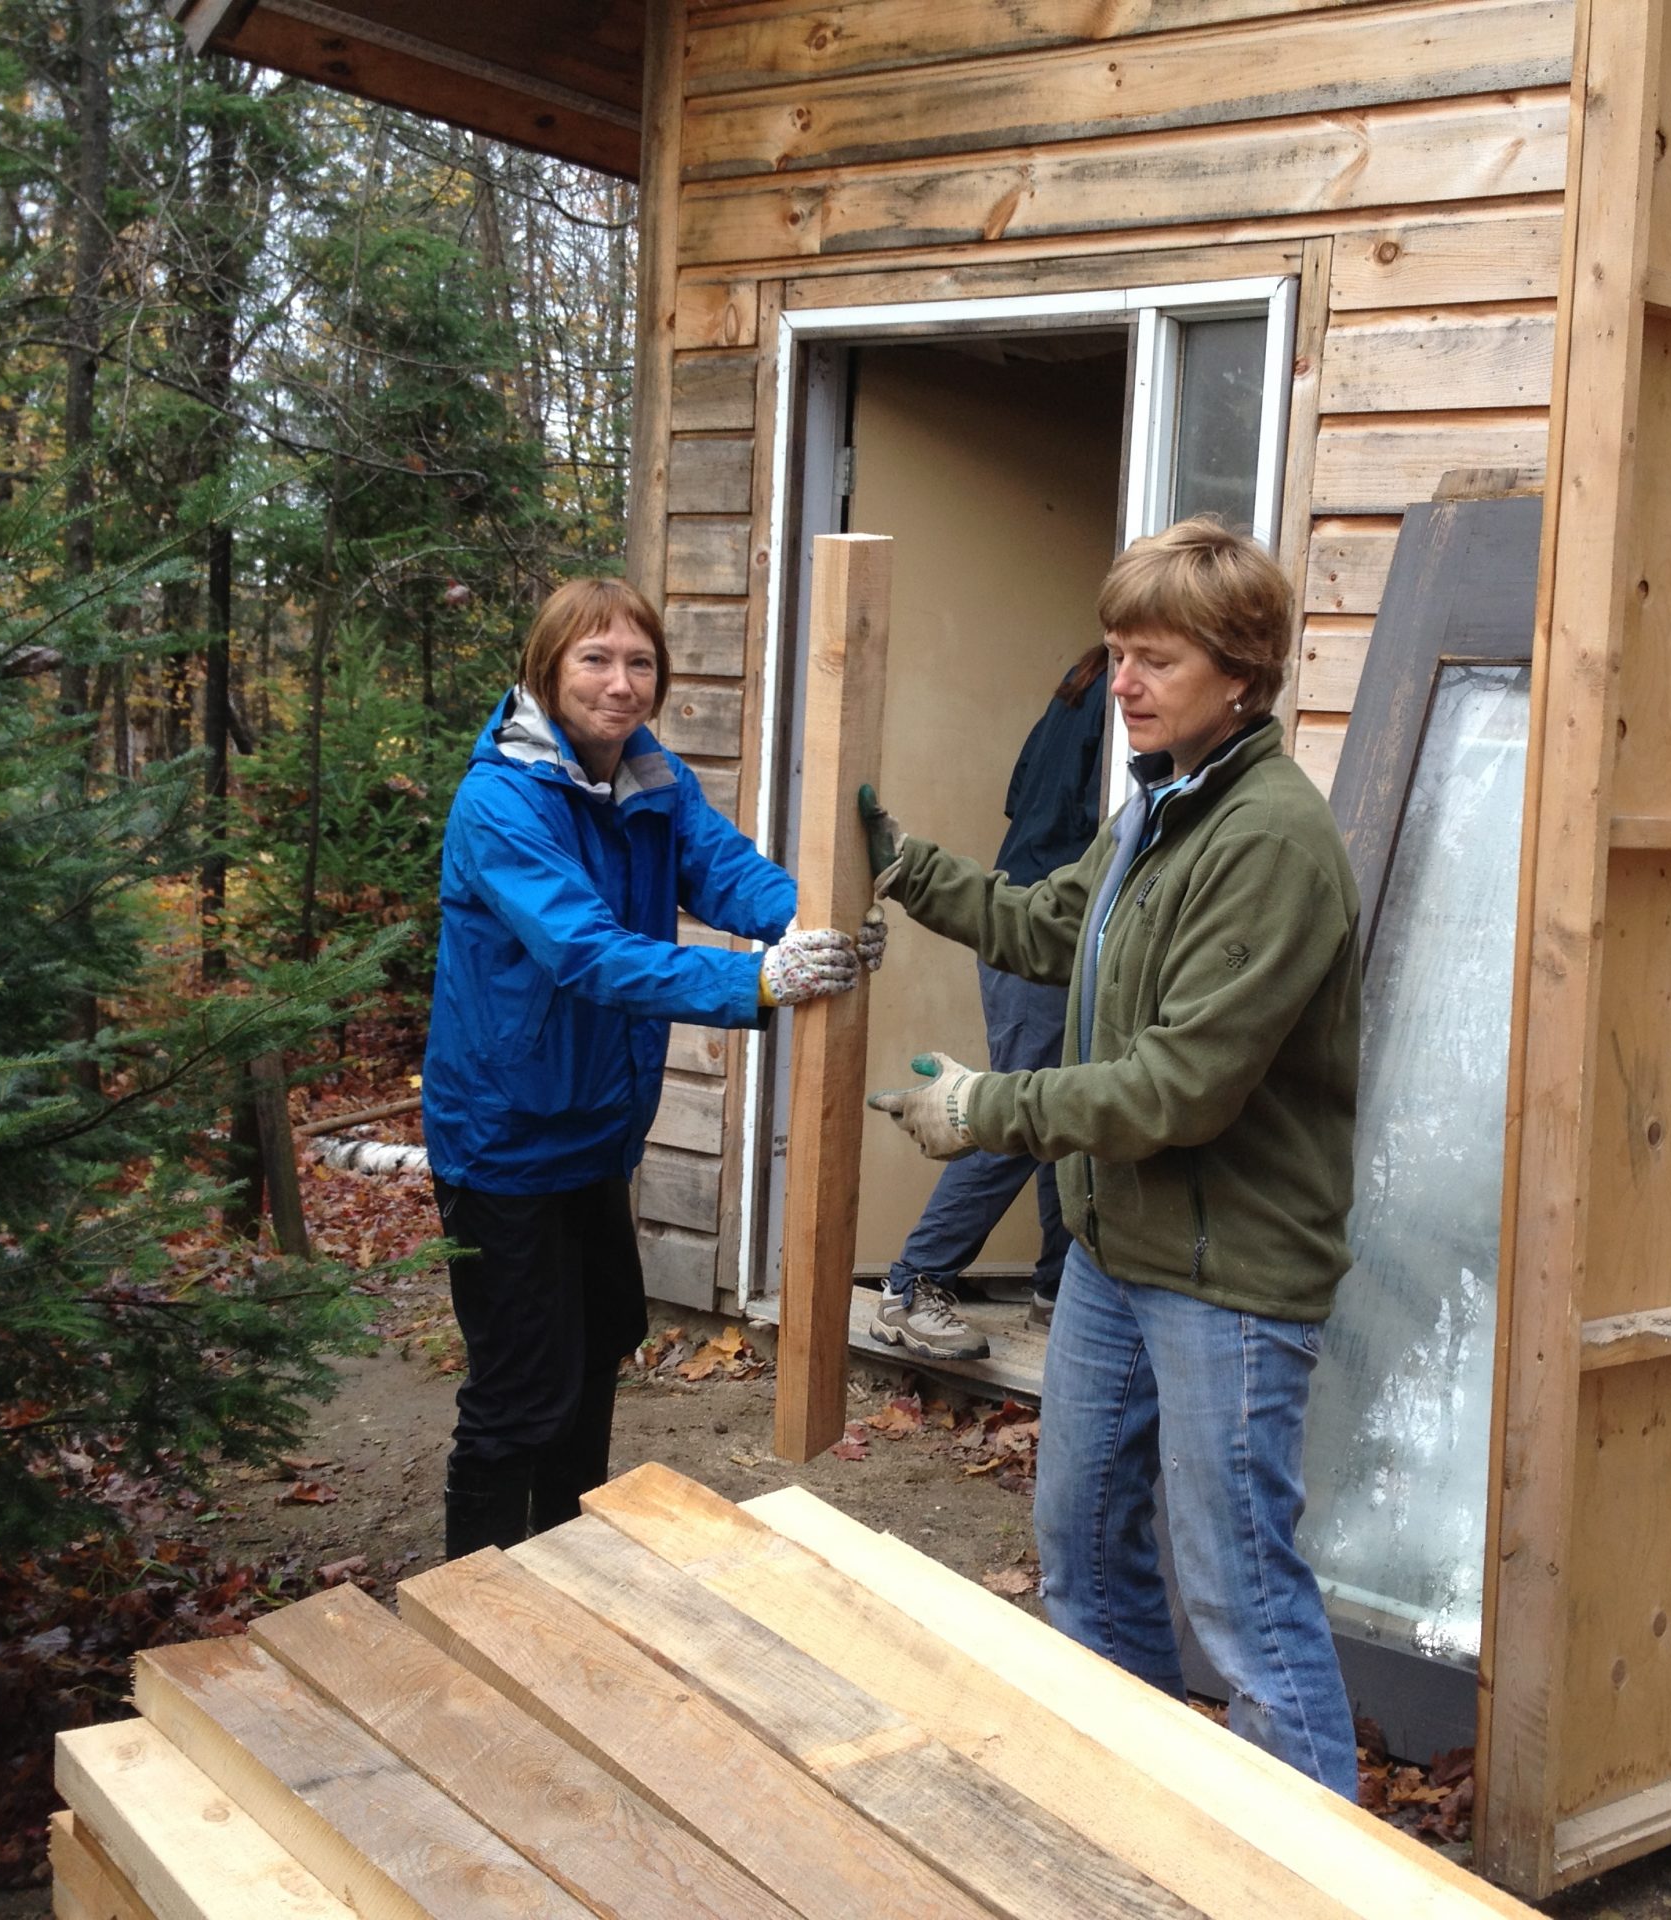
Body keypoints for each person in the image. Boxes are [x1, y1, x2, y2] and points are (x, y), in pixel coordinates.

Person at [862, 519, 1363, 1795]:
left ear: (1240, 675)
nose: (1122, 685)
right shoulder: (1156, 811)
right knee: (1083, 1556)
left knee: (1243, 1600)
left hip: (1228, 1279)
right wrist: (901, 867)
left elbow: (1181, 1089)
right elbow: (1042, 927)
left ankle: (1306, 1880)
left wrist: (986, 1110)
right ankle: (1143, 1820)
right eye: (1115, 654)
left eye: (1153, 659)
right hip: (1114, 1257)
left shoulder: (1268, 842)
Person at [422, 578, 879, 1559]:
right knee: (516, 1390)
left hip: (593, 1130)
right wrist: (759, 981)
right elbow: (584, 952)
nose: (620, 683)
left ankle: (565, 1562)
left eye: (639, 662)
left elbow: (721, 868)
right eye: (595, 659)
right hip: (503, 1139)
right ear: (546, 670)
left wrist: (805, 921)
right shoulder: (500, 802)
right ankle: (476, 1598)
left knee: (596, 1347)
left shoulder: (646, 775)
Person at [872, 644, 1109, 1360]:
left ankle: (1058, 1286)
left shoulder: (1079, 688)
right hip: (1049, 931)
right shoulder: (1114, 704)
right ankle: (913, 1286)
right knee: (1017, 1115)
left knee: (1056, 1112)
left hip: (1025, 915)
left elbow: (1020, 798)